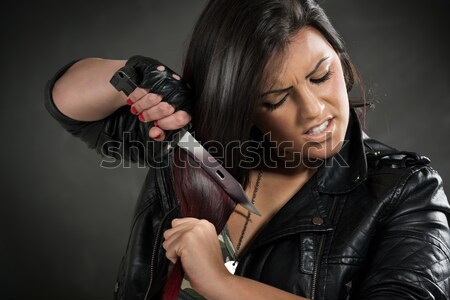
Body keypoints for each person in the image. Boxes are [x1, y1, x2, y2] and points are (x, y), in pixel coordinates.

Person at [45, 0, 450, 299]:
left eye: (322, 75)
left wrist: (221, 283)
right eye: (275, 99)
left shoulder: (405, 190)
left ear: (341, 64)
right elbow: (68, 104)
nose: (315, 111)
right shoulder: (193, 142)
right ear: (238, 105)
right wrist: (132, 75)